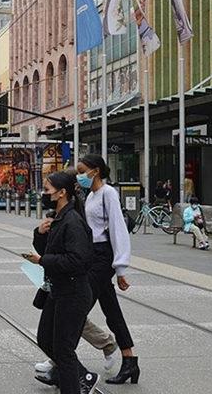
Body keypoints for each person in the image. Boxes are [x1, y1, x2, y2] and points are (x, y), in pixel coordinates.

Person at [24, 171, 100, 394]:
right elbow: (48, 249)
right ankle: (83, 376)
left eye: (47, 190)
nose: (44, 194)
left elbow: (78, 259)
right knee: (46, 339)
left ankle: (75, 385)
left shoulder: (73, 222)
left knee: (64, 350)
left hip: (73, 292)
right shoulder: (58, 218)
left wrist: (42, 261)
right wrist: (39, 233)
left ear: (62, 193)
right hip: (58, 290)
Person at [76, 154, 139, 385]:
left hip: (103, 257)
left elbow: (117, 229)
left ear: (95, 170)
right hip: (92, 255)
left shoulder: (108, 193)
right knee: (112, 311)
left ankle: (60, 361)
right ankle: (130, 361)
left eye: (82, 170)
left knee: (77, 306)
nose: (79, 175)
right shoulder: (90, 195)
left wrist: (120, 269)